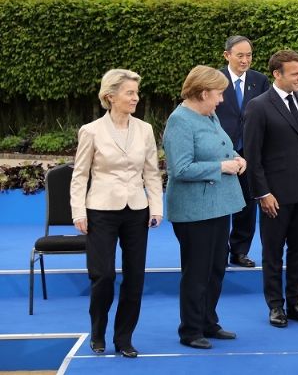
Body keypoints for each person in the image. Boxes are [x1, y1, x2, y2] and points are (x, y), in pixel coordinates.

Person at [69, 69, 163, 359]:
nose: (136, 98)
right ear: (110, 96)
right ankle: (98, 332)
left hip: (137, 209)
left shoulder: (145, 129)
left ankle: (124, 338)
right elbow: (80, 175)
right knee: (104, 276)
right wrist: (78, 212)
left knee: (135, 277)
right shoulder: (91, 130)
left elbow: (151, 171)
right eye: (130, 93)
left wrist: (156, 206)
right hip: (100, 210)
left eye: (136, 93)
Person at [164, 66, 247, 349]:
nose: (222, 99)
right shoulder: (180, 121)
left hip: (219, 205)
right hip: (193, 210)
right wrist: (221, 167)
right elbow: (180, 168)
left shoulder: (208, 115)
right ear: (202, 93)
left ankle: (209, 322)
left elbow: (221, 147)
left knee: (215, 268)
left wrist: (236, 157)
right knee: (197, 271)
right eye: (218, 94)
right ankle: (190, 329)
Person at [243, 50, 298, 327]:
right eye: (295, 74)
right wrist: (262, 193)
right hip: (274, 195)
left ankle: (296, 303)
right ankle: (275, 306)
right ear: (277, 74)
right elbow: (253, 156)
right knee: (273, 252)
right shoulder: (258, 106)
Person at [216, 35, 270, 268]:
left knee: (247, 206)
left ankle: (239, 251)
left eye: (249, 55)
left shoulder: (260, 81)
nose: (245, 60)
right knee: (218, 206)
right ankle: (217, 252)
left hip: (249, 153)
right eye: (240, 55)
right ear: (227, 55)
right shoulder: (214, 79)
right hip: (218, 153)